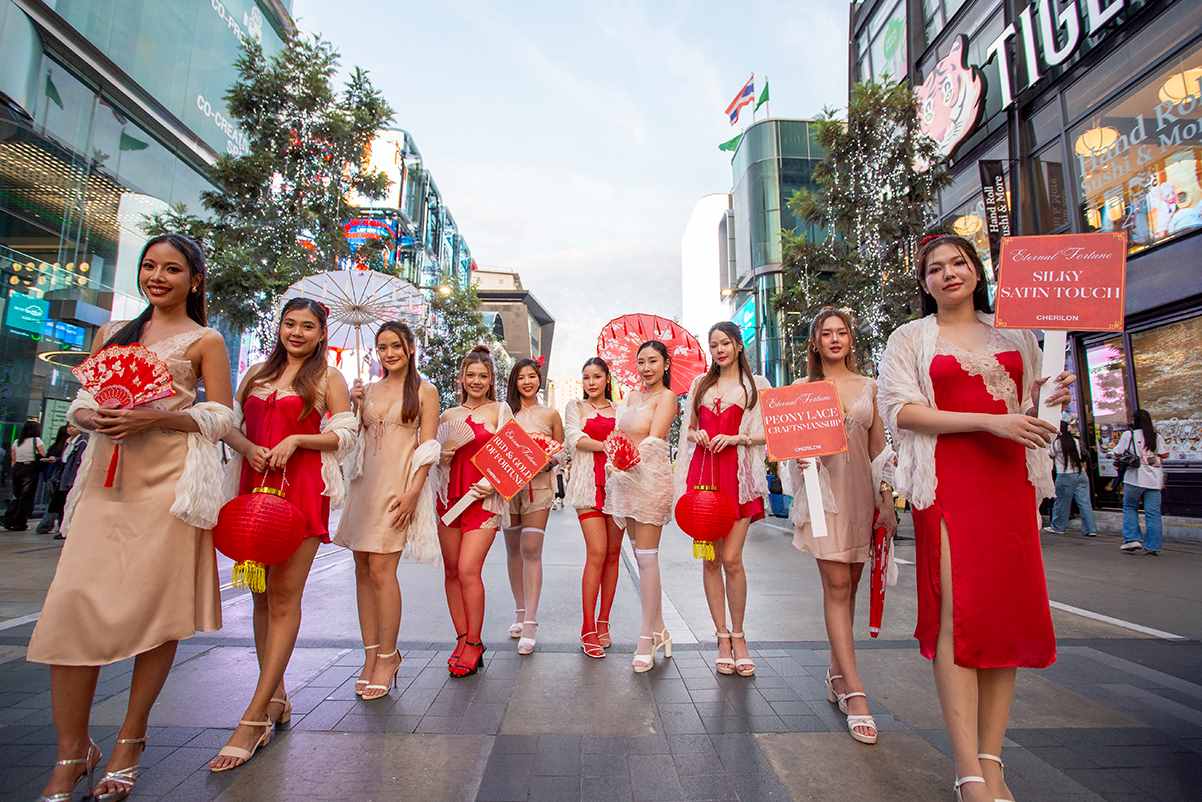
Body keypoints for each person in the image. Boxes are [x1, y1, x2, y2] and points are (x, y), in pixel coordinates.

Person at [26, 233, 235, 802]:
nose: (157, 277)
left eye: (172, 269)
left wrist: (156, 419)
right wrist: (91, 416)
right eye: (149, 266)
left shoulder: (206, 340)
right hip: (104, 483)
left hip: (166, 488)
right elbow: (82, 401)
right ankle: (72, 750)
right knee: (72, 608)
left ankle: (130, 740)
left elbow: (221, 417)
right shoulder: (113, 334)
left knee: (156, 613)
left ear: (194, 280)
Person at [877, 232, 1073, 802]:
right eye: (935, 268)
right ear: (924, 283)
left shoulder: (1017, 335)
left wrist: (1048, 399)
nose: (949, 273)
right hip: (948, 483)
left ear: (977, 271)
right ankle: (967, 770)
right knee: (955, 617)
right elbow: (900, 411)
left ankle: (992, 760)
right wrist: (989, 422)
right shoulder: (910, 338)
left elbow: (1030, 414)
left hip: (1010, 483)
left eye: (958, 262)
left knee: (1001, 619)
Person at [209, 298, 355, 771]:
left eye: (307, 326)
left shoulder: (328, 379)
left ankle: (253, 717)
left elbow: (346, 435)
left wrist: (297, 439)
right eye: (290, 324)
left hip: (303, 491)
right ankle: (275, 696)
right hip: (252, 489)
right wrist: (247, 446)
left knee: (285, 597)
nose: (296, 332)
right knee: (259, 596)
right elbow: (226, 425)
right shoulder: (255, 373)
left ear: (321, 333)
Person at [785, 307, 896, 745]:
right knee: (835, 585)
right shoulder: (801, 390)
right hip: (822, 497)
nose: (834, 339)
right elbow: (787, 450)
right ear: (815, 342)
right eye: (826, 333)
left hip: (861, 498)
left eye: (841, 332)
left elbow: (879, 450)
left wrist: (887, 500)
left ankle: (835, 672)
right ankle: (855, 690)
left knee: (850, 586)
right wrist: (798, 459)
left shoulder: (870, 387)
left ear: (850, 339)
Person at [335, 321, 440, 701]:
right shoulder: (368, 389)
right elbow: (352, 441)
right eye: (382, 347)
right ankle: (369, 657)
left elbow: (428, 448)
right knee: (362, 569)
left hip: (397, 488)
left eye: (396, 345)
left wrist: (413, 493)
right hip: (363, 487)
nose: (389, 353)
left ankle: (388, 655)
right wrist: (353, 404)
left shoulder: (425, 390)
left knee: (382, 570)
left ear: (410, 348)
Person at [675, 322, 770, 679]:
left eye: (725, 343)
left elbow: (768, 434)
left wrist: (736, 439)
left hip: (737, 477)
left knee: (732, 558)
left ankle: (740, 636)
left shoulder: (756, 385)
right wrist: (697, 433)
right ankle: (721, 638)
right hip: (704, 478)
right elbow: (687, 430)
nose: (719, 350)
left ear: (739, 345)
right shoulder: (700, 384)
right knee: (711, 560)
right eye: (714, 344)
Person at [436, 345, 513, 678]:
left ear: (491, 379)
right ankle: (461, 637)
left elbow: (515, 459)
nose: (477, 381)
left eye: (483, 375)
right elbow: (436, 467)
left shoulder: (500, 411)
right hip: (449, 500)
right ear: (462, 378)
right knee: (452, 570)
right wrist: (442, 457)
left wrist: (493, 483)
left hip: (483, 500)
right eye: (471, 375)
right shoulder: (447, 416)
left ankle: (474, 641)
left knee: (469, 569)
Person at [604, 341, 678, 672]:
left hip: (649, 480)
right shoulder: (631, 396)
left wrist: (624, 460)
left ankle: (646, 638)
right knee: (639, 557)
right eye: (641, 362)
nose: (646, 368)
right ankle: (660, 629)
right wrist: (614, 457)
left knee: (647, 559)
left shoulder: (667, 397)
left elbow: (654, 439)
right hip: (624, 481)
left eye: (653, 361)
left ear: (665, 364)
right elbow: (618, 435)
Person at [501, 359, 563, 655]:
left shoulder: (551, 414)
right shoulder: (504, 413)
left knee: (531, 549)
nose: (527, 382)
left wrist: (548, 460)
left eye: (532, 376)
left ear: (539, 380)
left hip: (539, 488)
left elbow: (561, 451)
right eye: (521, 377)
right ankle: (519, 610)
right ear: (514, 382)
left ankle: (531, 622)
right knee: (513, 550)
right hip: (508, 488)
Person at [564, 357, 622, 658]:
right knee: (597, 552)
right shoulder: (575, 407)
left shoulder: (621, 410)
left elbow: (628, 442)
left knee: (613, 555)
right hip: (587, 486)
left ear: (606, 379)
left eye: (597, 376)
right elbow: (575, 438)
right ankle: (587, 628)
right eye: (586, 377)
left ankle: (603, 622)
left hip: (617, 487)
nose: (591, 382)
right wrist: (608, 446)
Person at [1115, 409, 1168, 556]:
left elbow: (1118, 452)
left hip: (1134, 478)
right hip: (1154, 480)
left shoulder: (1128, 435)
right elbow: (1165, 454)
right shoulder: (1156, 436)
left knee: (1130, 507)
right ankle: (1153, 546)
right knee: (1153, 514)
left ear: (1134, 420)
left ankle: (1132, 539)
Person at [1046, 420, 1098, 537]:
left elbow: (1050, 455)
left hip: (1065, 475)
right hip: (1081, 474)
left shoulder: (1056, 443)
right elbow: (1083, 455)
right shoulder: (1076, 441)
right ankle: (1090, 529)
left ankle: (1058, 527)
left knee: (1062, 503)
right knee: (1084, 502)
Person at [48, 426, 89, 540]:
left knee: (68, 501)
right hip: (62, 475)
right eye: (69, 426)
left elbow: (78, 461)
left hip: (70, 476)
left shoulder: (82, 442)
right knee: (62, 502)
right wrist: (56, 459)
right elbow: (64, 458)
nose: (70, 429)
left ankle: (66, 529)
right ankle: (62, 528)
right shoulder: (68, 442)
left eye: (73, 426)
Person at [4, 420, 45, 531]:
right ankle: (20, 522)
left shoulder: (17, 442)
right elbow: (43, 456)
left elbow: (13, 460)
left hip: (17, 469)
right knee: (26, 497)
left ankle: (8, 519)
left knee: (17, 496)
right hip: (30, 469)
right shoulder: (37, 441)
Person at [36, 425, 72, 535]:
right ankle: (49, 526)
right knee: (58, 503)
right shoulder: (67, 447)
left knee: (54, 503)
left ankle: (48, 526)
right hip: (59, 478)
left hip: (51, 477)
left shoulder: (54, 447)